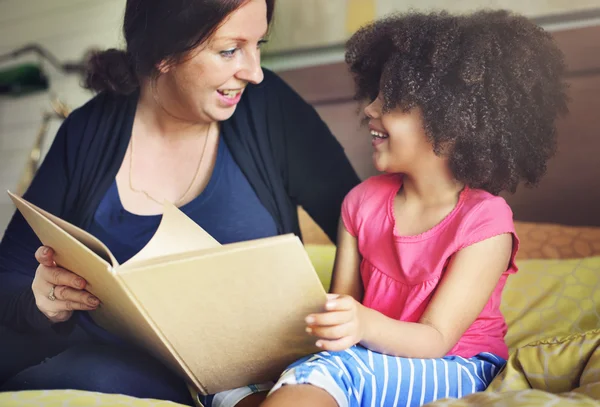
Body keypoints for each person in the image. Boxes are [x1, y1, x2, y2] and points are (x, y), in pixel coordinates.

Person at [0, 0, 360, 406]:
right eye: (229, 50)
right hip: (105, 376)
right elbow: (9, 274)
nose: (254, 72)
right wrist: (41, 303)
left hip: (252, 383)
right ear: (164, 52)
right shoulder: (87, 131)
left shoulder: (270, 109)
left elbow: (369, 234)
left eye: (259, 43)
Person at [261, 9, 569, 407]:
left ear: (451, 125)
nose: (370, 109)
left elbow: (436, 338)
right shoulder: (361, 202)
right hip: (371, 358)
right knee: (254, 385)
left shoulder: (485, 222)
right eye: (375, 94)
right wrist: (330, 325)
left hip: (460, 364)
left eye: (390, 100)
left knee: (326, 374)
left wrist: (360, 326)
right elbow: (345, 310)